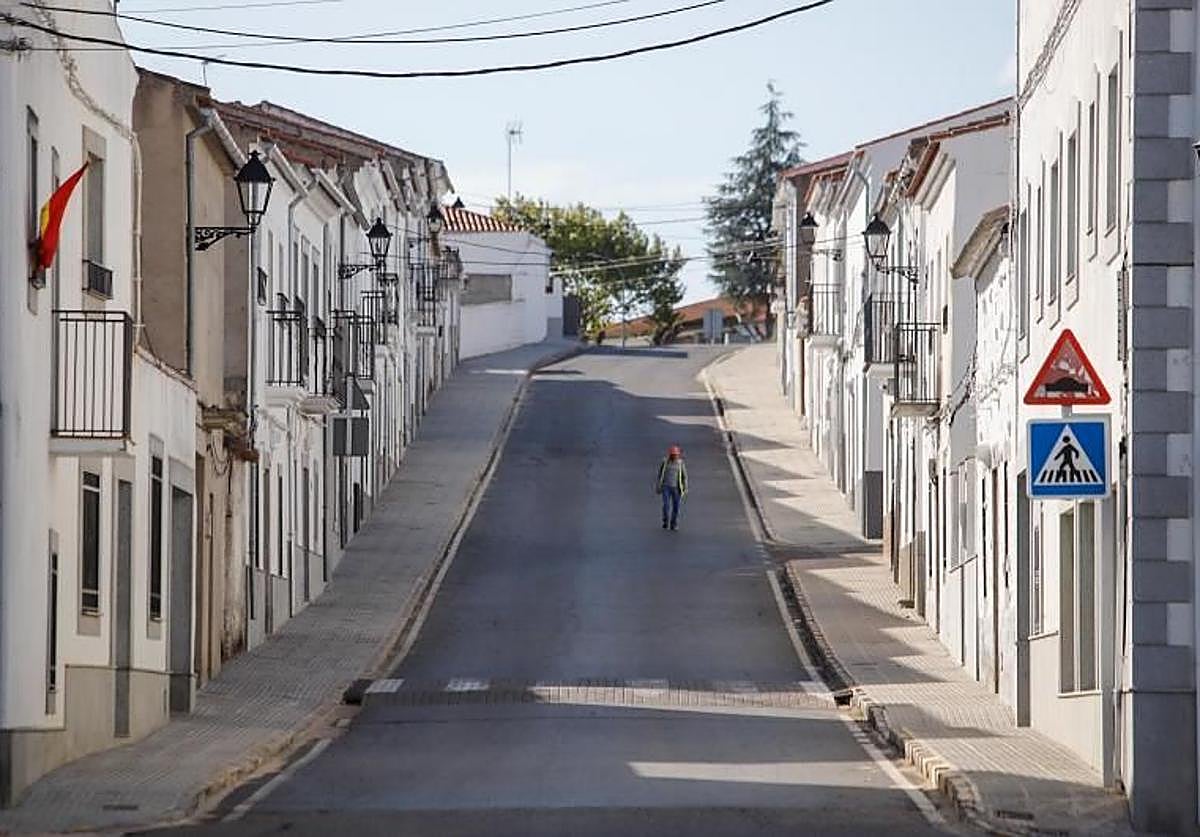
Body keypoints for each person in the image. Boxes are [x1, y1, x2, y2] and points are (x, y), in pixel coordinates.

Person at [655, 445, 688, 530]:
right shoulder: (665, 462)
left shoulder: (680, 464)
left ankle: (674, 524)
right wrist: (658, 485)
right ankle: (665, 521)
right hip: (666, 487)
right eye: (673, 455)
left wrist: (685, 487)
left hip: (676, 488)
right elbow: (660, 474)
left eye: (676, 455)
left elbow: (684, 476)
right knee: (666, 505)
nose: (674, 456)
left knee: (676, 507)